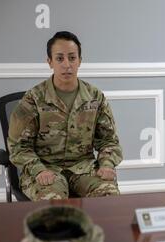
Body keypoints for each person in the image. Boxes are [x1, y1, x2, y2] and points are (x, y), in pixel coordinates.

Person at [8, 31, 122, 201]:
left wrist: (106, 164)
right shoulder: (33, 99)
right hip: (46, 169)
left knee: (110, 198)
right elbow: (18, 146)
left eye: (72, 58)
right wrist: (38, 169)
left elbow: (109, 141)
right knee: (55, 206)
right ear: (50, 62)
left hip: (84, 169)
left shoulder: (95, 97)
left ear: (80, 61)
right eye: (60, 58)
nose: (67, 64)